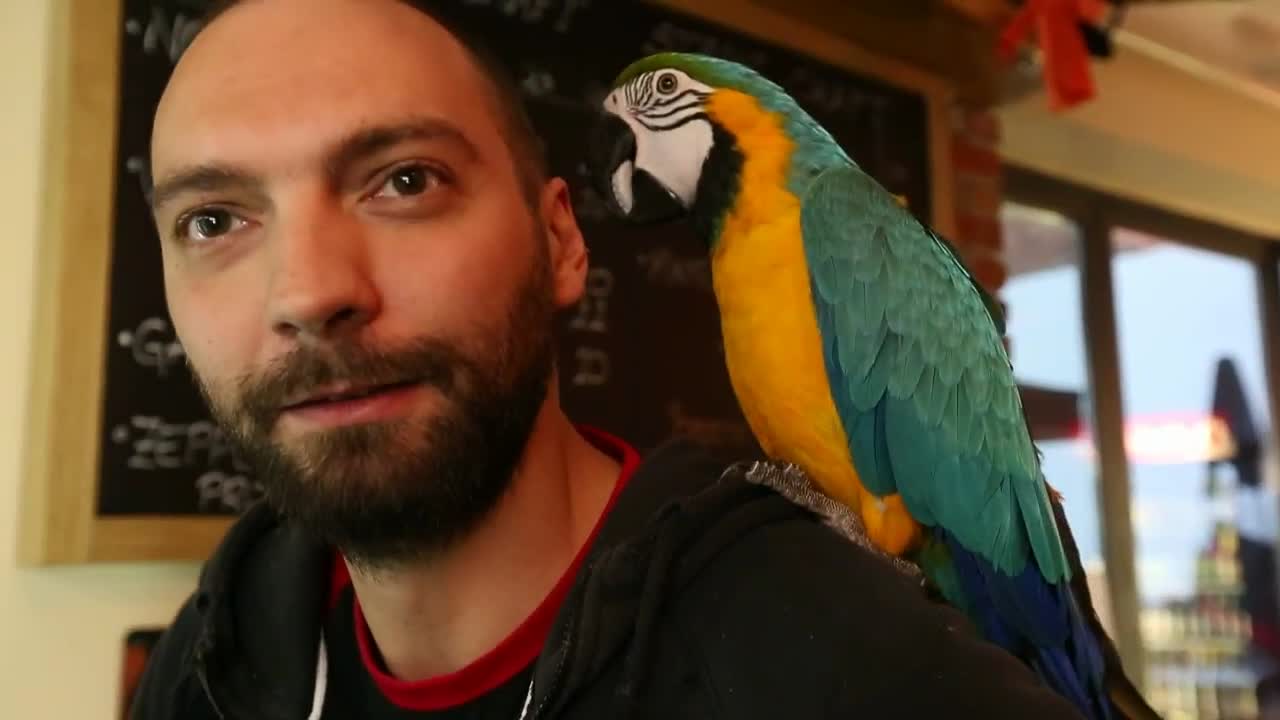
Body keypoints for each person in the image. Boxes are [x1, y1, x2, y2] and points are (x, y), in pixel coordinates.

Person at [129, 1, 1088, 718]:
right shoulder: (217, 648)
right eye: (212, 220)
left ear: (563, 243)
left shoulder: (848, 663)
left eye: (405, 180)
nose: (306, 292)